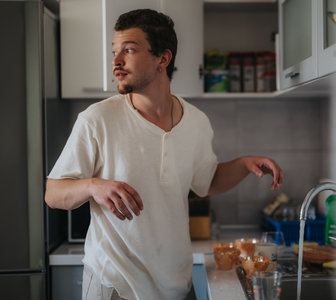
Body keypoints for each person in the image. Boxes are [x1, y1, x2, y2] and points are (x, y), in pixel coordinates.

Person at [45, 9, 282, 300]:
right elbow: (53, 193)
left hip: (178, 286)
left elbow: (208, 181)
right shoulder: (97, 119)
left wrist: (245, 164)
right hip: (117, 287)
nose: (116, 61)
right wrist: (93, 185)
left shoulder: (196, 121)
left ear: (163, 58)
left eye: (129, 50)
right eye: (114, 51)